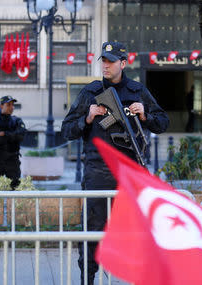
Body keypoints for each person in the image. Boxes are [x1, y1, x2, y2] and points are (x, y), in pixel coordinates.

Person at [61, 41, 169, 284]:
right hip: (98, 172)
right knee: (92, 231)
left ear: (123, 63)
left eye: (111, 61)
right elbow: (66, 130)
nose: (106, 65)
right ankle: (88, 278)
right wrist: (87, 118)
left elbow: (163, 123)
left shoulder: (138, 91)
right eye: (104, 60)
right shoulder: (91, 92)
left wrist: (145, 114)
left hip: (129, 172)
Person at [0, 95, 26, 190]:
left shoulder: (17, 121)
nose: (11, 107)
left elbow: (21, 136)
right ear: (1, 106)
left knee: (15, 188)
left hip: (13, 160)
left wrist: (5, 134)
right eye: (8, 105)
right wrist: (12, 136)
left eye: (12, 105)